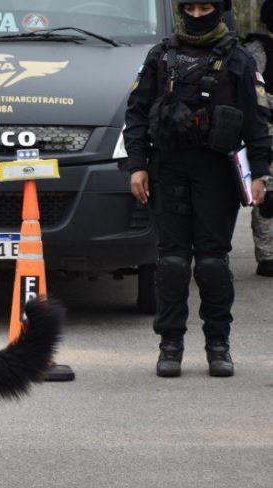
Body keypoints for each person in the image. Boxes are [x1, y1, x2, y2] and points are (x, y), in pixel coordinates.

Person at [124, 0, 271, 378]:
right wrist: (137, 165)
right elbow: (136, 113)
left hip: (217, 174)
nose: (197, 16)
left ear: (219, 11)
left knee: (212, 263)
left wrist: (260, 173)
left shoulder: (239, 60)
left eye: (205, 9)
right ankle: (170, 344)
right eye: (191, 9)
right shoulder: (161, 56)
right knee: (172, 263)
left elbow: (257, 121)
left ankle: (218, 345)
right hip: (168, 170)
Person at [243, 0, 273, 277]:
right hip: (266, 131)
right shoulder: (258, 49)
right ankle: (268, 256)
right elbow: (253, 92)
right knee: (268, 197)